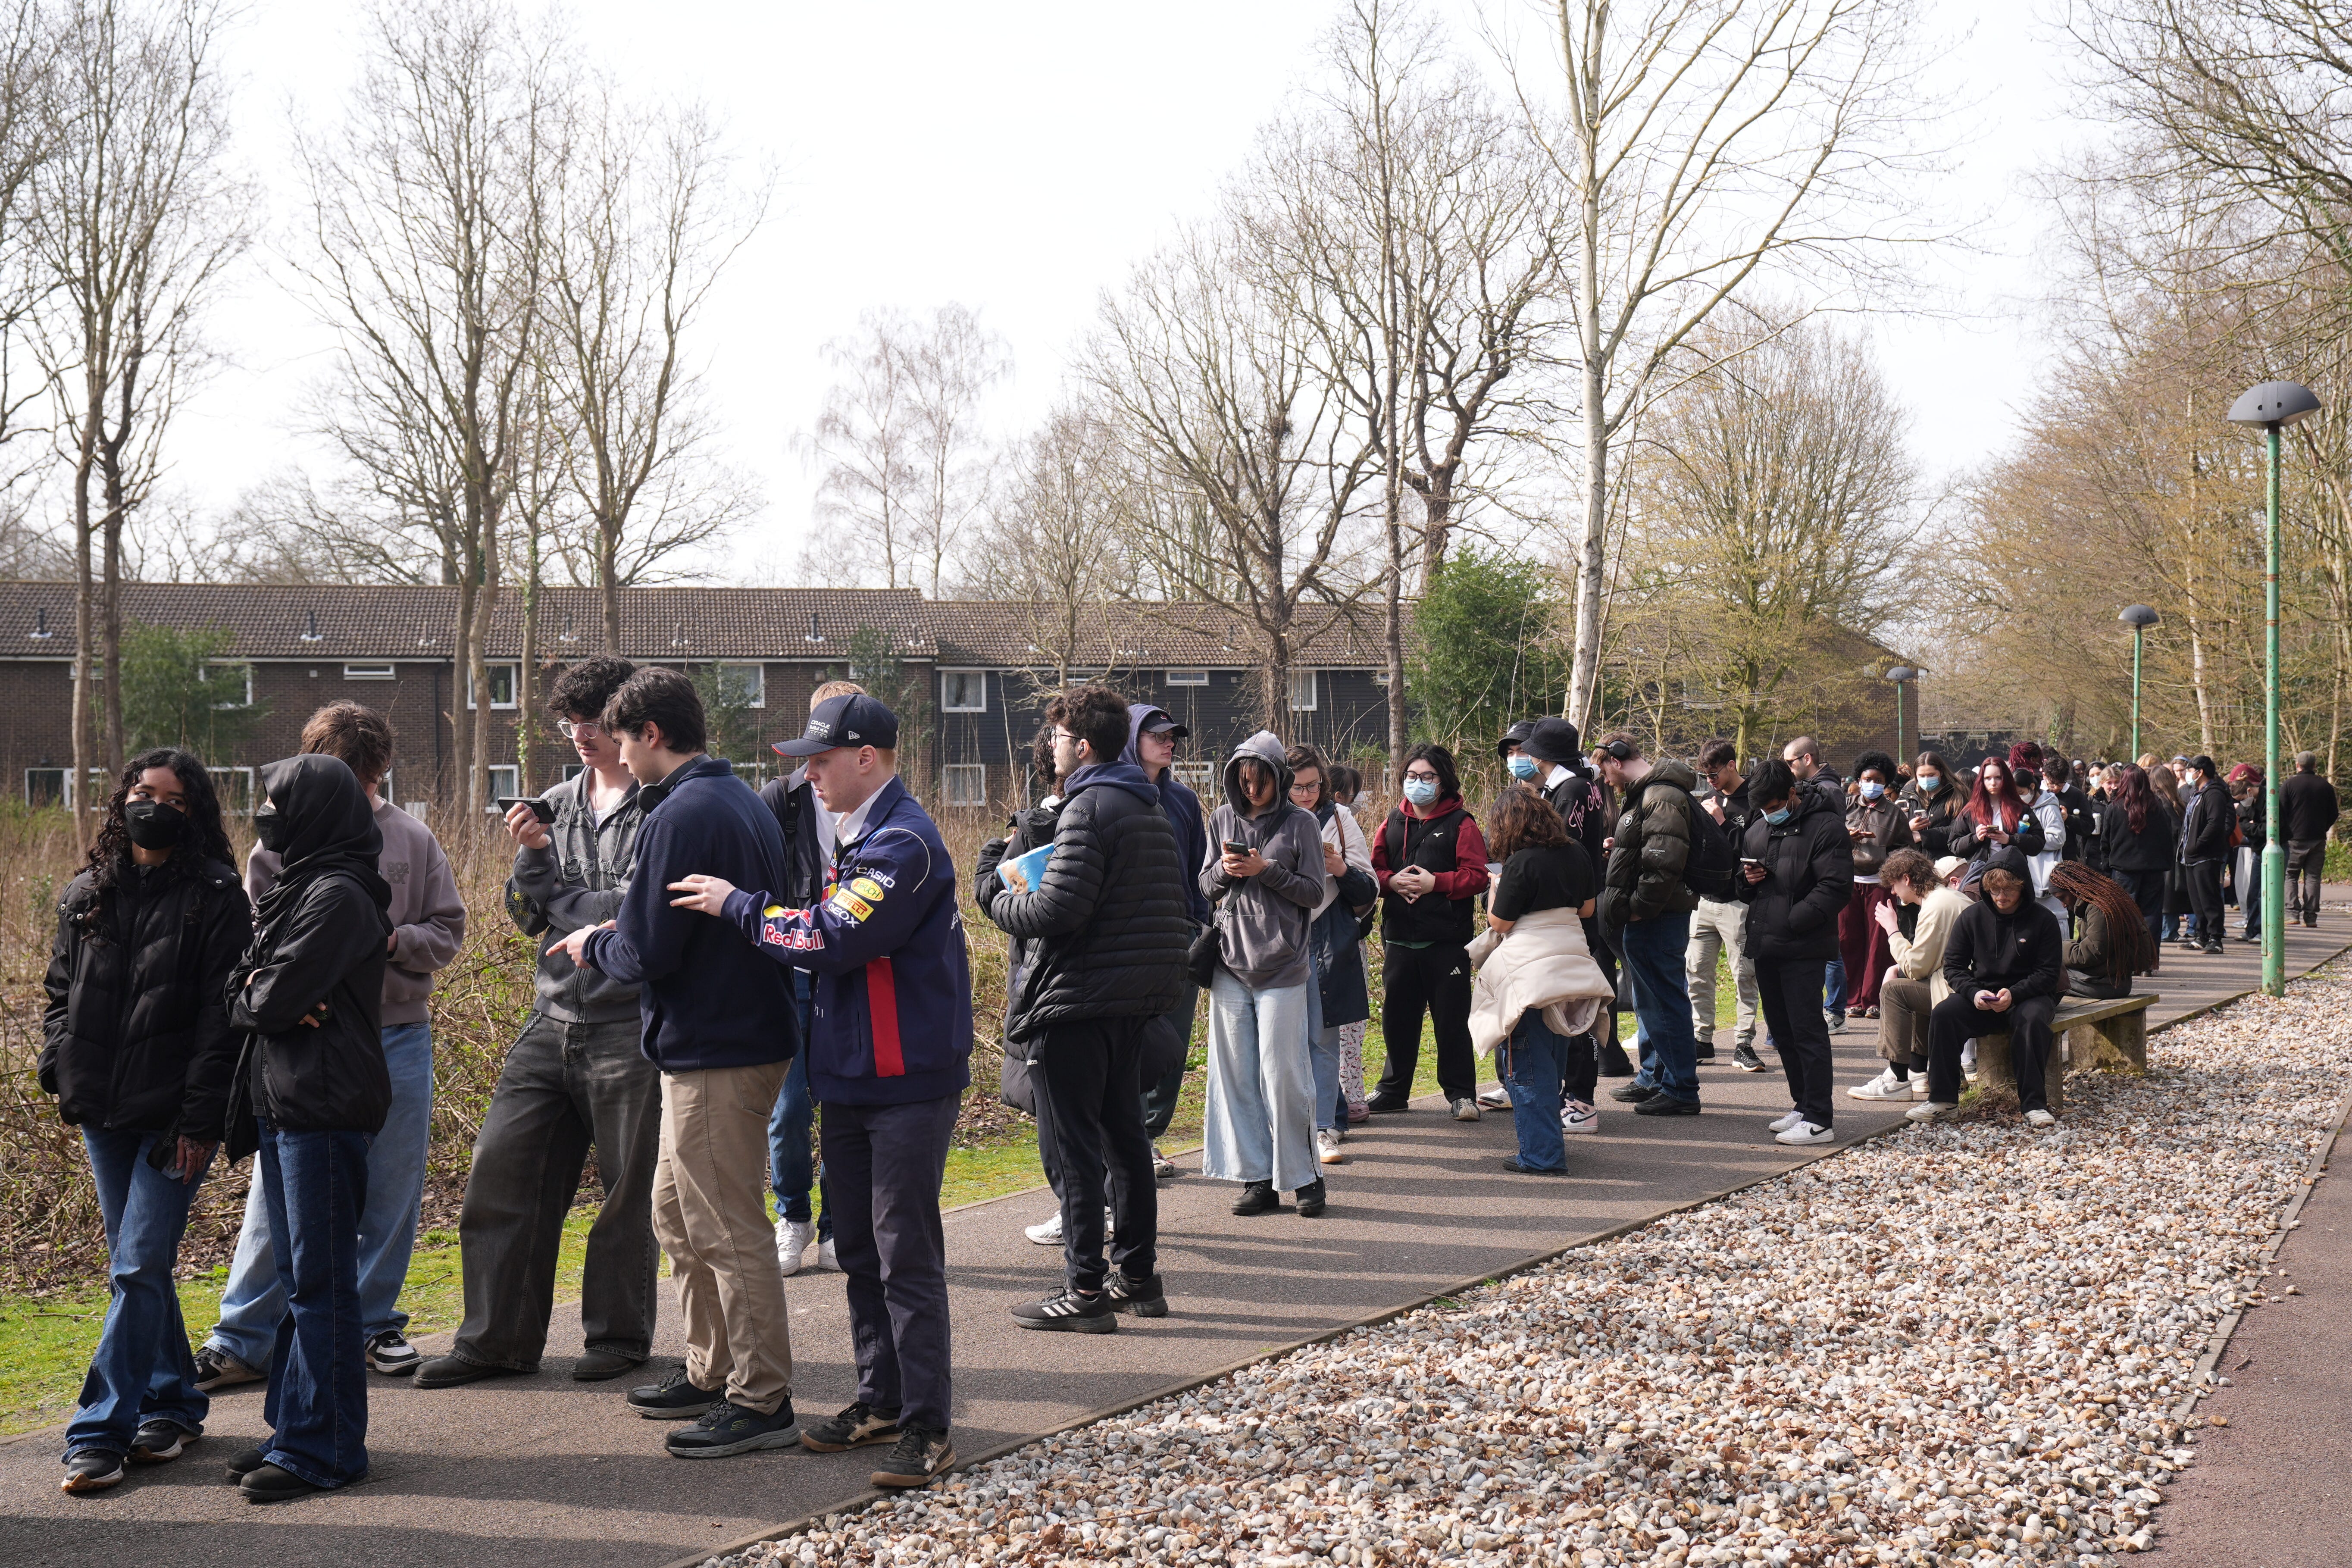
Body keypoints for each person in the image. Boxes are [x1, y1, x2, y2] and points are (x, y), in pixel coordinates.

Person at [669, 691, 973, 1488]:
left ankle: (928, 1427)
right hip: (850, 1077)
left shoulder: (903, 842)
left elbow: (830, 936)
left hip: (907, 1082)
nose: (807, 775)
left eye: (820, 759)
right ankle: (880, 1401)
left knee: (905, 1252)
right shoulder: (857, 833)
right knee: (865, 1252)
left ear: (866, 758)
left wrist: (737, 905)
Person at [555, 667, 801, 1461]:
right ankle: (710, 1367)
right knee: (676, 1212)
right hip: (723, 1039)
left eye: (623, 739)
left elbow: (648, 948)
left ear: (651, 735)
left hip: (716, 1049)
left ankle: (762, 1398)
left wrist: (592, 943)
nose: (618, 756)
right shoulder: (735, 798)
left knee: (727, 1225)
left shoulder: (679, 813)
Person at [199, 704, 465, 1392]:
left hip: (396, 1034)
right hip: (304, 1041)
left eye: (361, 777)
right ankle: (243, 1336)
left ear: (379, 773)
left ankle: (374, 1323)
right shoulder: (278, 844)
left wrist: (390, 944)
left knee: (391, 1186)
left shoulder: (413, 838)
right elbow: (253, 943)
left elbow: (448, 930)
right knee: (276, 1192)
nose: (351, 789)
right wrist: (292, 985)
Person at [414, 657, 663, 1390]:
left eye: (593, 721)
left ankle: (618, 1337)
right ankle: (495, 1341)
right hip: (550, 1017)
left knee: (626, 1194)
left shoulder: (663, 805)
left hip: (632, 1026)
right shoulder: (554, 803)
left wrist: (570, 902)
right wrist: (531, 859)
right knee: (503, 1174)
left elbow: (641, 919)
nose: (581, 735)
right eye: (570, 722)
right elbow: (526, 918)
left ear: (625, 722)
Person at [42, 752, 250, 1495]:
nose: (152, 805)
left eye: (171, 797)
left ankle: (99, 1431)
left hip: (175, 1121)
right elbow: (59, 989)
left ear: (194, 810)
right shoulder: (85, 892)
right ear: (120, 800)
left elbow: (220, 1025)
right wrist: (57, 1063)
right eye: (141, 792)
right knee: (139, 1265)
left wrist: (200, 1120)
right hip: (103, 1109)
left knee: (135, 1264)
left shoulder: (219, 897)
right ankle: (175, 1400)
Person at [979, 685, 1189, 1333]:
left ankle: (1084, 1290)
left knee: (1076, 1154)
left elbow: (1057, 910)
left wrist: (993, 893)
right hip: (1131, 1003)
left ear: (1086, 746)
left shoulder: (1088, 808)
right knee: (1125, 1141)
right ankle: (1139, 1278)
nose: (1052, 746)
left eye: (1061, 737)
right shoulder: (1146, 805)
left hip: (1078, 1003)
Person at [220, 754, 394, 1501]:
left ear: (318, 812)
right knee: (299, 1279)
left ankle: (324, 1448)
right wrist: (260, 991)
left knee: (322, 1282)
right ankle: (297, 1425)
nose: (265, 814)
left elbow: (271, 996)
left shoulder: (340, 894)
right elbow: (241, 986)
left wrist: (265, 992)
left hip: (324, 1104)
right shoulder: (298, 887)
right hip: (286, 1099)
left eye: (275, 802)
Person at [760, 679, 869, 1276]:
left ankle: (836, 1224)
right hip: (793, 970)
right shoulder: (782, 798)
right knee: (790, 1106)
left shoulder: (874, 802)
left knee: (844, 1104)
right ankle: (793, 1216)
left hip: (847, 971)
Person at [1197, 730, 1329, 1216]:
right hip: (1230, 965)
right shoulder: (1221, 818)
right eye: (1243, 780)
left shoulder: (1302, 825)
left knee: (1285, 1076)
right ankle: (1257, 1178)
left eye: (1260, 781)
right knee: (1236, 1078)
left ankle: (1306, 1177)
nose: (1251, 790)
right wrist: (1228, 872)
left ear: (1278, 779)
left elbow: (1314, 893)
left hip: (1283, 967)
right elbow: (1205, 884)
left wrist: (1265, 870)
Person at [982, 727, 1091, 1249]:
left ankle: (1079, 1217)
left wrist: (990, 861)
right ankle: (1095, 1212)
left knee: (1056, 1108)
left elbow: (1008, 901)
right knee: (1088, 1110)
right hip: (1080, 984)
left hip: (1048, 983)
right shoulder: (1128, 807)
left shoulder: (1042, 822)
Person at [1468, 786, 1611, 1171]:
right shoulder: (1576, 852)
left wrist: (1496, 888)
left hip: (1529, 971)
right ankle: (1549, 1144)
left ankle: (1541, 1155)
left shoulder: (1520, 864)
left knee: (1527, 1066)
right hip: (1571, 966)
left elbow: (1499, 922)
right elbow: (1587, 907)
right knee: (1555, 1053)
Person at [1367, 743, 1491, 1118]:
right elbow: (1371, 868)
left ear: (1443, 782)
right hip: (1399, 937)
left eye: (1427, 777)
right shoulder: (1391, 821)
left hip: (1446, 939)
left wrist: (1435, 883)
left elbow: (1478, 876)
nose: (1417, 783)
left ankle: (1460, 1094)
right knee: (1397, 1018)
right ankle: (1393, 1090)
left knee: (1451, 1020)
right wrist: (1392, 882)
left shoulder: (1462, 823)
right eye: (1411, 776)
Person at [1590, 733, 1706, 1117]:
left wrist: (1639, 909)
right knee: (1651, 1000)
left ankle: (1681, 1088)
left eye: (1605, 769)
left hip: (1658, 916)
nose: (1605, 779)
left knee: (1664, 1001)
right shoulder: (1649, 794)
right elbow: (1653, 850)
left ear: (1618, 759)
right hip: (1653, 915)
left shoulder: (1661, 796)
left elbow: (1664, 863)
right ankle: (1657, 1076)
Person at [1908, 847, 2065, 1129]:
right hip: (1983, 994)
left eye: (2008, 891)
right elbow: (1953, 967)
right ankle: (1943, 1099)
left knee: (2032, 1021)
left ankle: (2034, 1104)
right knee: (1945, 1012)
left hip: (2029, 995)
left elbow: (2048, 974)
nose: (2001, 898)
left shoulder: (2043, 920)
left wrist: (2015, 993)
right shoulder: (1971, 917)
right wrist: (1974, 992)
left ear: (2022, 887)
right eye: (1994, 891)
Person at [1736, 758, 1851, 1145]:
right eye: (1763, 810)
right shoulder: (1757, 829)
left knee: (1807, 1029)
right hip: (1766, 943)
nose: (1769, 815)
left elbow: (1835, 887)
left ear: (1791, 793)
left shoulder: (1826, 826)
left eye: (1773, 806)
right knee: (1782, 1031)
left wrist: (1793, 919)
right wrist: (1747, 879)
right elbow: (1746, 884)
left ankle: (1820, 1116)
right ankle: (1802, 1104)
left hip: (1804, 944)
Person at [1127, 704, 1212, 1178]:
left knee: (1174, 1044)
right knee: (1138, 1042)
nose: (1168, 740)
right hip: (1132, 940)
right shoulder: (1112, 793)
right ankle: (1132, 1138)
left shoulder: (1181, 798)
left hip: (1180, 935)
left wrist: (1199, 925)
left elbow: (1197, 865)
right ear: (1131, 738)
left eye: (1172, 734)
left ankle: (1152, 1135)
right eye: (1156, 733)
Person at [1289, 744, 1376, 1164]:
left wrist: (1340, 867)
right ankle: (1286, 1125)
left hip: (1324, 937)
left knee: (1323, 1039)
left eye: (1313, 785)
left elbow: (1369, 887)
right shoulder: (1264, 819)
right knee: (1279, 1040)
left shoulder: (1339, 820)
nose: (1306, 795)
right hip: (1276, 940)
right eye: (1297, 786)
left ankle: (1323, 1128)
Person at [1850, 848, 1965, 1101]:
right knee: (1916, 984)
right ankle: (1918, 1072)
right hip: (1967, 986)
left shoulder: (1936, 907)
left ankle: (1897, 1078)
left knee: (1894, 991)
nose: (1893, 892)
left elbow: (1917, 967)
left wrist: (1893, 930)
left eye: (1894, 884)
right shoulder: (1945, 899)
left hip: (1965, 994)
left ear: (1906, 879)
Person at [1686, 738, 1760, 1070]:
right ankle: (1703, 1040)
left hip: (1737, 901)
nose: (1711, 781)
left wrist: (1722, 822)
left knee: (1744, 974)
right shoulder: (1707, 799)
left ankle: (1744, 1043)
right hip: (1703, 901)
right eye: (1706, 776)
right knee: (1698, 973)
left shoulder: (1754, 801)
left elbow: (1756, 849)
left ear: (1732, 764)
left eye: (1714, 774)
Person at [1837, 751, 1912, 1022]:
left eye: (1879, 780)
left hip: (1879, 883)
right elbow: (1829, 838)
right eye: (1868, 779)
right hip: (1849, 882)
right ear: (1859, 779)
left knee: (1878, 942)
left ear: (1886, 783)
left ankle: (1872, 999)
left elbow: (1905, 849)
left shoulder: (1894, 814)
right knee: (1848, 938)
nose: (1872, 784)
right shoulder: (1846, 807)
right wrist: (1848, 837)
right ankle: (1852, 999)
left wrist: (1888, 862)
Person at [1781, 736, 1847, 1032]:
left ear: (1807, 759)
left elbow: (1829, 836)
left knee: (1830, 951)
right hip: (1816, 877)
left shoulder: (1828, 790)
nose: (1787, 768)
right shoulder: (1823, 787)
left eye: (1789, 762)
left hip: (1822, 880)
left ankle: (1834, 1010)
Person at [2098, 763, 2175, 964]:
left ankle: (2126, 959)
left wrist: (2107, 868)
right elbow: (2168, 838)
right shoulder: (2157, 806)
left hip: (2124, 871)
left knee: (2124, 916)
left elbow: (2106, 842)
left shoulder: (2115, 808)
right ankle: (2148, 960)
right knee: (2151, 915)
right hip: (2153, 869)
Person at [2048, 861, 2159, 1000]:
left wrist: (2054, 948)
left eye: (2063, 898)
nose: (2063, 905)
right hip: (2111, 981)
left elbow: (2091, 953)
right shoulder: (2097, 902)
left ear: (2075, 889)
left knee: (2049, 974)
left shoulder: (2099, 909)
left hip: (2108, 985)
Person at [1947, 755, 2046, 870]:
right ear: (1982, 780)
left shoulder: (2020, 809)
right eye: (1988, 778)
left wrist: (2011, 839)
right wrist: (1976, 838)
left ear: (2006, 779)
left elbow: (2038, 842)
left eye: (1998, 778)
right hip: (1980, 874)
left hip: (2013, 873)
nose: (1993, 783)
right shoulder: (1971, 811)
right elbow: (1954, 845)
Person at [2177, 755, 2233, 957]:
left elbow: (2215, 823)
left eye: (2191, 770)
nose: (2188, 774)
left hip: (2206, 855)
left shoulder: (2214, 794)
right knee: (2197, 899)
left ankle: (2215, 938)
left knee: (2210, 897)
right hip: (2191, 856)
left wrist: (2198, 844)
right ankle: (2201, 936)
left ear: (2200, 772)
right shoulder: (2196, 793)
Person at [2282, 751, 2339, 927]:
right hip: (2317, 839)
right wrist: (2323, 828)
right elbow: (2334, 814)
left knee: (2290, 875)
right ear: (2315, 766)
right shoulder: (2325, 786)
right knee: (2313, 877)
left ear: (2297, 765)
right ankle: (2311, 917)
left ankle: (2292, 914)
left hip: (2294, 838)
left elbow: (2281, 811)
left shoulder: (2289, 784)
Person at [1896, 751, 1965, 857]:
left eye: (1931, 775)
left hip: (1944, 860)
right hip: (1913, 860)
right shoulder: (1908, 794)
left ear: (1941, 772)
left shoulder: (1956, 795)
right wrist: (1908, 828)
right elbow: (1894, 829)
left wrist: (1922, 836)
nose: (1927, 780)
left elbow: (1958, 830)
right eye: (1922, 776)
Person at [2228, 764, 2265, 944]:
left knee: (2261, 893)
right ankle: (2252, 929)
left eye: (2242, 799)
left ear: (2250, 791)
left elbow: (2268, 828)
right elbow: (2244, 825)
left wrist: (2251, 828)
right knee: (2253, 892)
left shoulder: (2268, 799)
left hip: (2266, 848)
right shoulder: (2248, 803)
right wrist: (2252, 827)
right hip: (2258, 848)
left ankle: (2261, 930)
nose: (2241, 804)